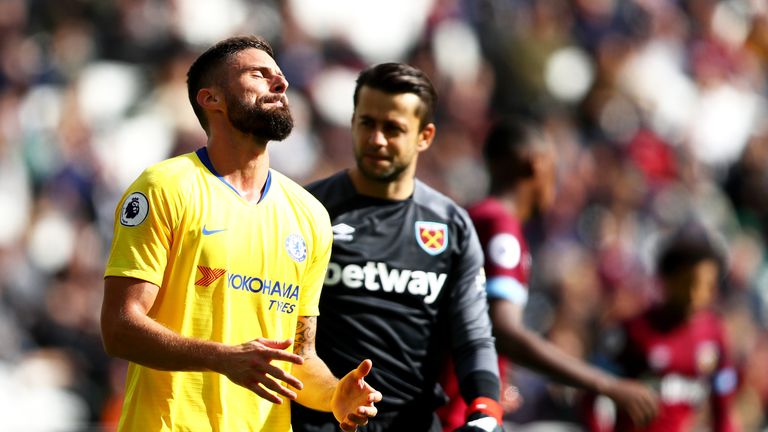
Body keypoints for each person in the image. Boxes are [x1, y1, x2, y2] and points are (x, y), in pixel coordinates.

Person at [100, 35, 382, 432]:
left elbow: (300, 358)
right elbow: (119, 328)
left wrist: (336, 395)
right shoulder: (165, 187)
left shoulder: (310, 216)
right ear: (210, 99)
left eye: (280, 77)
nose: (280, 84)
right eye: (258, 74)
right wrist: (221, 357)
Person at [291, 62, 504, 432]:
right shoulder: (308, 211)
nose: (376, 139)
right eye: (367, 123)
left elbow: (472, 335)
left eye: (393, 129)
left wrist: (485, 408)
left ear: (425, 136)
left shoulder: (450, 226)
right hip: (319, 423)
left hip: (413, 423)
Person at [438, 118, 660, 431]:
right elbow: (503, 331)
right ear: (536, 164)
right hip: (458, 416)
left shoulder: (471, 217)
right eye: (555, 168)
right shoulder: (501, 228)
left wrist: (500, 384)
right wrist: (605, 384)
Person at [587, 223, 737, 432]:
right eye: (689, 283)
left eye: (708, 285)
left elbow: (723, 407)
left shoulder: (713, 334)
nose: (697, 294)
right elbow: (591, 394)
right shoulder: (633, 331)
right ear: (668, 279)